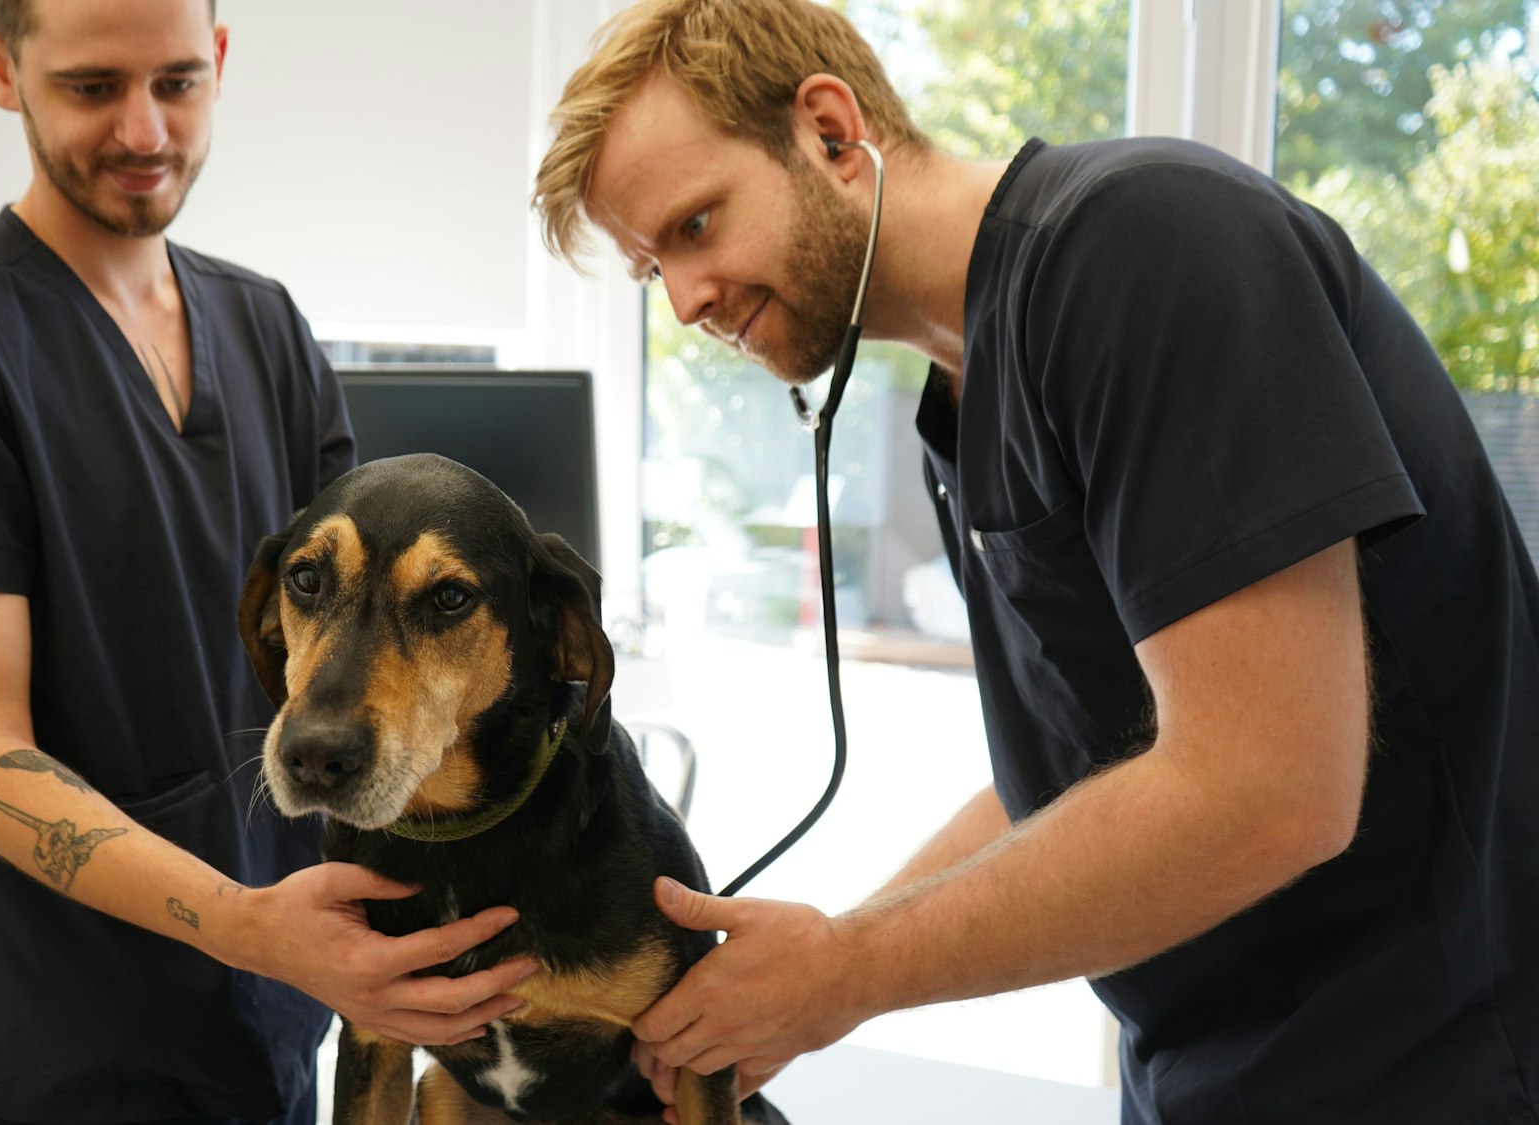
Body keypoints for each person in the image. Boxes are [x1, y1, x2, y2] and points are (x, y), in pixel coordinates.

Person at [531, 0, 1539, 1122]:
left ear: (828, 130)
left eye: (695, 226)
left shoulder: (1144, 245)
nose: (685, 302)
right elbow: (1063, 785)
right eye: (651, 272)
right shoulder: (965, 403)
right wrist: (803, 974)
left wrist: (844, 973)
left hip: (1430, 1065)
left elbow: (1269, 788)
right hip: (1209, 1074)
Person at [0, 2, 536, 1122]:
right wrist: (248, 925)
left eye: (176, 82)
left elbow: (363, 660)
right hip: (49, 1053)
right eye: (92, 87)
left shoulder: (265, 327)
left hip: (269, 1028)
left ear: (220, 59)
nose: (144, 131)